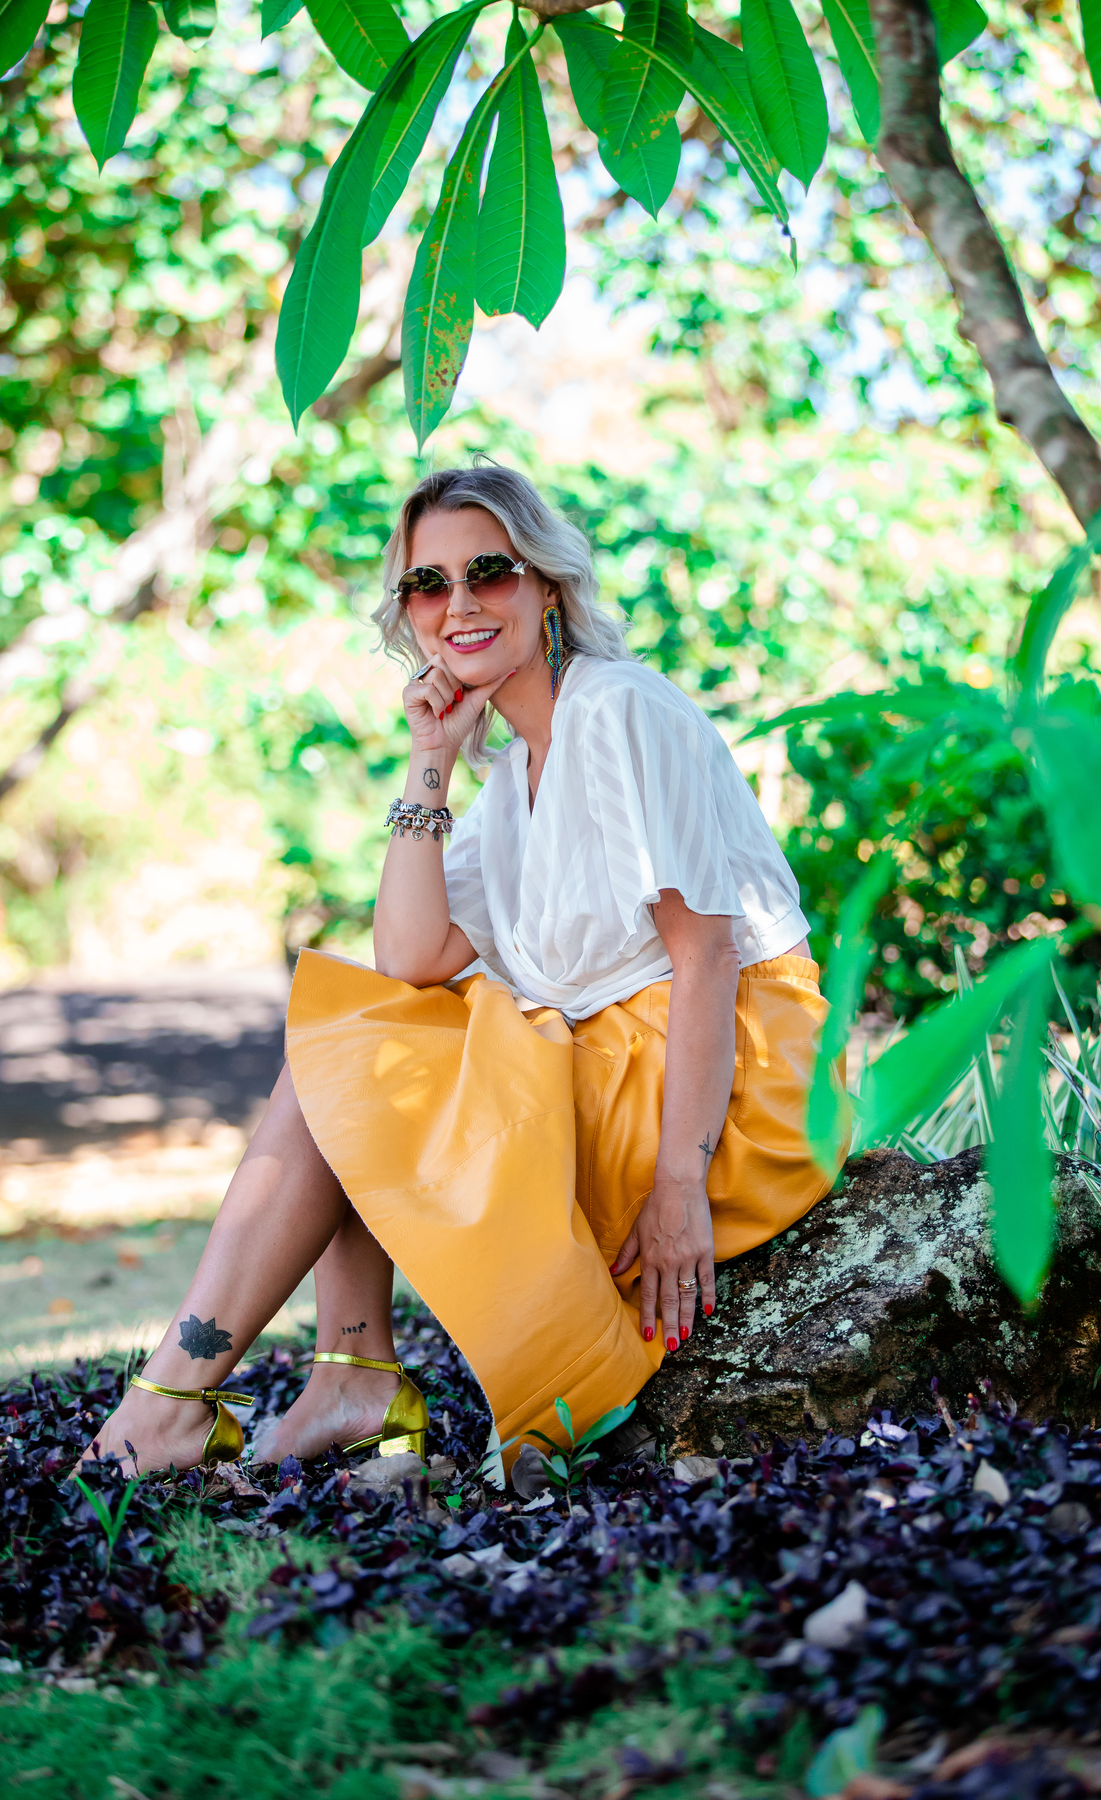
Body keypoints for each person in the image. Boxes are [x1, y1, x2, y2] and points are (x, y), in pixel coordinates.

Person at [83, 463, 844, 1478]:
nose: (461, 604)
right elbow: (410, 957)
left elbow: (707, 960)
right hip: (623, 1064)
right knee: (367, 1032)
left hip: (733, 1088)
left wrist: (679, 1187)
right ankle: (334, 1372)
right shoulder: (511, 780)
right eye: (426, 585)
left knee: (364, 1054)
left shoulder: (618, 709)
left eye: (489, 570)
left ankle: (215, 1394)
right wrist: (430, 758)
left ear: (548, 585)